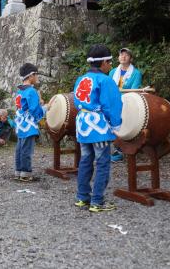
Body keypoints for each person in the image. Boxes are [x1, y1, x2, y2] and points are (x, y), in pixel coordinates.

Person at [73, 44, 122, 213]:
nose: (111, 65)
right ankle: (97, 201)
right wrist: (116, 125)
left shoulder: (81, 79)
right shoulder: (105, 80)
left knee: (85, 160)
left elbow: (76, 102)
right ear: (102, 63)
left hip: (82, 124)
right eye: (109, 61)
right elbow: (112, 105)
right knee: (102, 163)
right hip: (98, 127)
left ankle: (82, 197)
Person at [14, 63, 48, 182]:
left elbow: (23, 107)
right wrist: (45, 108)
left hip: (20, 124)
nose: (37, 77)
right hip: (28, 124)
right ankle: (25, 173)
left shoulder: (20, 91)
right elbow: (34, 110)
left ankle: (18, 171)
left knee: (20, 148)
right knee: (26, 149)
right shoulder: (31, 91)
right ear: (31, 76)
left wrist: (39, 103)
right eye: (36, 74)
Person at [108, 47, 142, 161]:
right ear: (118, 58)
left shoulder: (136, 73)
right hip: (112, 102)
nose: (123, 56)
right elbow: (108, 88)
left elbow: (134, 90)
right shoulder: (113, 72)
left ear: (130, 59)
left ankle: (120, 151)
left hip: (128, 102)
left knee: (121, 125)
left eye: (126, 55)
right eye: (121, 54)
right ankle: (114, 148)